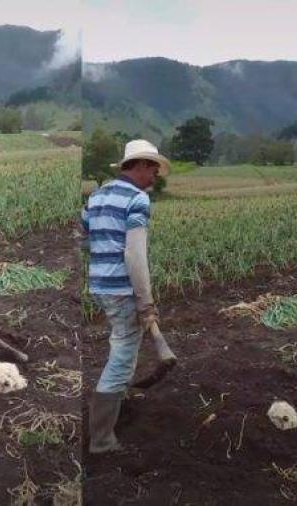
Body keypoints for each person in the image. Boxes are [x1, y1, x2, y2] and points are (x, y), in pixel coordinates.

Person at [81, 139, 169, 453]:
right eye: (154, 168)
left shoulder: (96, 196)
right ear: (141, 165)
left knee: (124, 345)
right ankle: (102, 438)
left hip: (102, 285)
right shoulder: (137, 199)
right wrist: (146, 301)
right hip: (123, 287)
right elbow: (135, 255)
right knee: (120, 357)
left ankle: (118, 405)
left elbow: (86, 238)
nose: (156, 175)